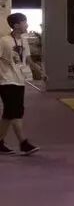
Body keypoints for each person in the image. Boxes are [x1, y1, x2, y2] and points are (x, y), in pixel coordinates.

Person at [1, 13, 40, 156]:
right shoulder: (4, 41)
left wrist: (40, 71)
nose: (27, 25)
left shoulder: (23, 40)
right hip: (6, 80)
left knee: (9, 113)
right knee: (15, 112)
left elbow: (28, 59)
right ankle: (24, 143)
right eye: (24, 22)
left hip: (19, 80)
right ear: (16, 25)